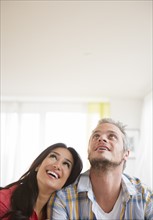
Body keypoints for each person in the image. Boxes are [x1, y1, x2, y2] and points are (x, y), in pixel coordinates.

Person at [48, 118, 153, 220]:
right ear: (88, 151)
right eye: (96, 136)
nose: (101, 138)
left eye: (112, 136)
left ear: (126, 154)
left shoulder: (146, 197)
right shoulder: (63, 199)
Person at [0, 142, 83, 220]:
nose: (57, 166)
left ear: (67, 180)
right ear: (38, 165)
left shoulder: (58, 213)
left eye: (66, 164)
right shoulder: (7, 198)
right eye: (53, 157)